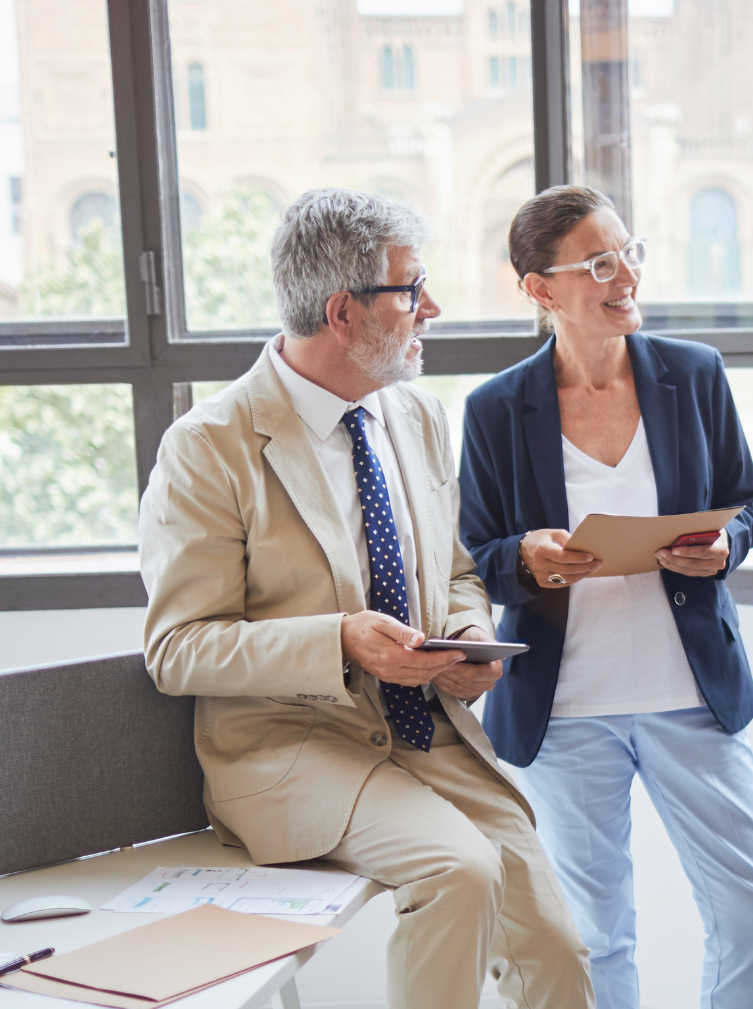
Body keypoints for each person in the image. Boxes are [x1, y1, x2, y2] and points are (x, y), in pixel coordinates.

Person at [139, 188, 593, 1009]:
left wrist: (461, 635)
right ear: (343, 311)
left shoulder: (413, 415)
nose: (434, 308)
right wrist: (340, 638)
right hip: (293, 747)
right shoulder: (210, 446)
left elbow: (454, 570)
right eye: (411, 290)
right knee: (457, 871)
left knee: (557, 951)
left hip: (427, 733)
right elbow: (179, 648)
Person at [457, 185, 753, 1009]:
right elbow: (479, 556)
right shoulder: (496, 409)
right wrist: (529, 560)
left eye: (629, 252)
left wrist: (724, 547)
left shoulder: (692, 374)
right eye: (599, 263)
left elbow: (744, 502)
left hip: (690, 695)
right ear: (541, 289)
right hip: (567, 709)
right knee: (597, 937)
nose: (626, 275)